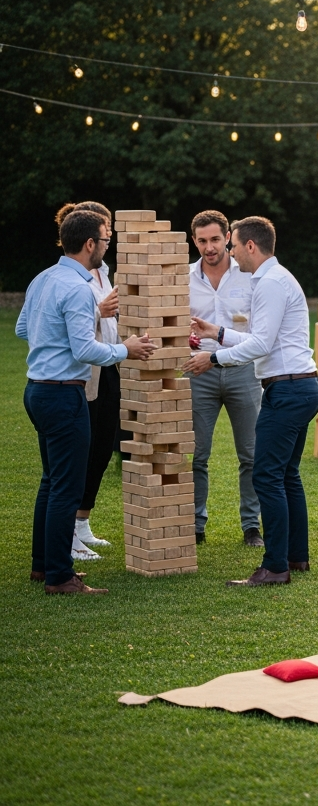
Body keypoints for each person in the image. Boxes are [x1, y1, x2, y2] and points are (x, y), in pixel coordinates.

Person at [17, 209, 155, 594]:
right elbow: (85, 350)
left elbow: (23, 327)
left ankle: (43, 566)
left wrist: (53, 342)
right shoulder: (78, 286)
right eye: (105, 240)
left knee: (51, 482)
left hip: (37, 389)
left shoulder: (43, 278)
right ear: (90, 243)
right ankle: (61, 576)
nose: (106, 247)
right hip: (64, 394)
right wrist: (124, 348)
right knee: (66, 487)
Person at [184, 216, 318, 587]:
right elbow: (260, 337)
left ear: (249, 246)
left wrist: (212, 357)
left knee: (265, 475)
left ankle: (275, 566)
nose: (228, 252)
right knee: (287, 475)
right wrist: (218, 333)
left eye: (231, 245)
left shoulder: (270, 284)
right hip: (299, 385)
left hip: (289, 389)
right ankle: (297, 557)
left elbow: (260, 345)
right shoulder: (273, 279)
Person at [188, 209, 264, 547]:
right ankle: (194, 525)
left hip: (243, 372)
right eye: (202, 240)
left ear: (227, 238)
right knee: (196, 454)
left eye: (215, 239)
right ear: (194, 241)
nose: (209, 247)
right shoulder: (182, 277)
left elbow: (261, 330)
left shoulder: (249, 274)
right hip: (198, 373)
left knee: (250, 454)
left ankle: (252, 526)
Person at [52, 202, 121, 559]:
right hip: (85, 373)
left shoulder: (101, 270)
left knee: (102, 449)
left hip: (109, 366)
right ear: (90, 237)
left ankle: (82, 522)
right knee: (82, 450)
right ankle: (70, 536)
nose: (108, 238)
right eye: (105, 232)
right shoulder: (69, 277)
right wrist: (99, 310)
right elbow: (73, 325)